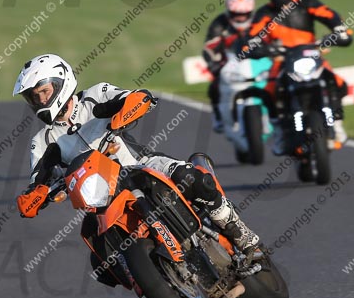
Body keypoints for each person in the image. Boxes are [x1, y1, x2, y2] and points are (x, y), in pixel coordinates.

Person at [13, 54, 259, 285]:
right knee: (100, 261)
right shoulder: (42, 141)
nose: (40, 101)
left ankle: (242, 235)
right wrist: (34, 197)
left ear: (61, 83)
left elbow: (135, 97)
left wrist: (132, 106)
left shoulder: (95, 96)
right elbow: (39, 179)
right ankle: (157, 284)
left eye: (44, 92)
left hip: (140, 166)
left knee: (192, 179)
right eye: (34, 97)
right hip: (101, 198)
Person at [244, 0, 353, 154]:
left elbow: (330, 15)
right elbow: (250, 38)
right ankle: (279, 132)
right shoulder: (264, 14)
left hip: (311, 55)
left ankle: (336, 125)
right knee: (269, 91)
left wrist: (339, 32)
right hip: (281, 60)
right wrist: (261, 48)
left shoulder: (307, 3)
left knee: (336, 82)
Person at [202, 0, 256, 134]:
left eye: (244, 14)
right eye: (236, 14)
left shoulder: (259, 22)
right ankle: (218, 116)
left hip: (256, 62)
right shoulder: (220, 23)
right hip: (229, 63)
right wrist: (214, 65)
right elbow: (209, 48)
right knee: (214, 85)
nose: (241, 18)